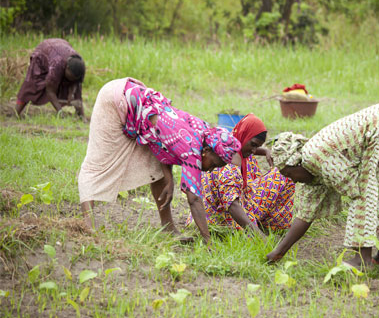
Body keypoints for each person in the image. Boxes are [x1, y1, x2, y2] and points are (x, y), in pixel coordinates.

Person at [265, 101, 379, 270]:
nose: (292, 180)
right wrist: (278, 252)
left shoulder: (315, 157)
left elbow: (356, 191)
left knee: (364, 190)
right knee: (374, 187)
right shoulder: (310, 166)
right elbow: (305, 214)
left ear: (296, 162)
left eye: (289, 174)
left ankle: (361, 259)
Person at [77, 77, 241, 243]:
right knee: (98, 163)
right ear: (206, 151)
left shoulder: (205, 131)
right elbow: (194, 199)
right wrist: (207, 240)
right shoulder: (193, 150)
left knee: (157, 171)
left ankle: (167, 227)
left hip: (137, 101)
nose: (210, 170)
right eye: (213, 165)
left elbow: (165, 142)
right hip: (113, 100)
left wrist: (169, 179)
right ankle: (88, 226)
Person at [187, 114, 294, 235]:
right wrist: (259, 236)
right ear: (244, 135)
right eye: (253, 145)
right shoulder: (229, 162)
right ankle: (255, 226)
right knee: (284, 175)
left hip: (213, 210)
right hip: (221, 220)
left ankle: (258, 223)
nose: (254, 150)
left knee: (257, 163)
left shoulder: (226, 146)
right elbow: (232, 205)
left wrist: (265, 151)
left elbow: (248, 149)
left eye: (257, 147)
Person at [15, 38, 87, 122]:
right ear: (66, 67)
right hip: (44, 52)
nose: (71, 80)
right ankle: (16, 113)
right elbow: (50, 91)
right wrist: (60, 112)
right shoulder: (57, 64)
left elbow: (76, 83)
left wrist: (71, 94)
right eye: (70, 77)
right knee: (32, 85)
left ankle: (81, 116)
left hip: (61, 45)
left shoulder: (80, 66)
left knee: (78, 89)